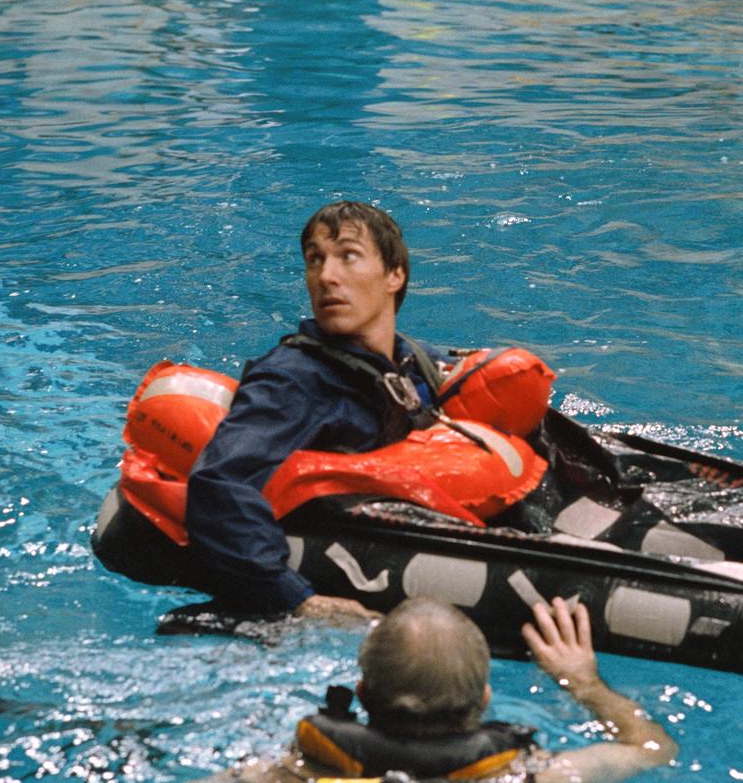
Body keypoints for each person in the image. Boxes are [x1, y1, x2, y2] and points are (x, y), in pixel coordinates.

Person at [186, 201, 446, 621]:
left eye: (348, 256)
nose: (326, 276)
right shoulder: (292, 382)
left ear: (394, 275)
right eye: (315, 260)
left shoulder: (421, 366)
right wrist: (299, 600)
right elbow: (219, 485)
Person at [217, 596, 677, 783]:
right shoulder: (535, 776)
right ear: (484, 699)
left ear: (360, 692)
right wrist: (583, 683)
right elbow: (652, 748)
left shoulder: (286, 773)